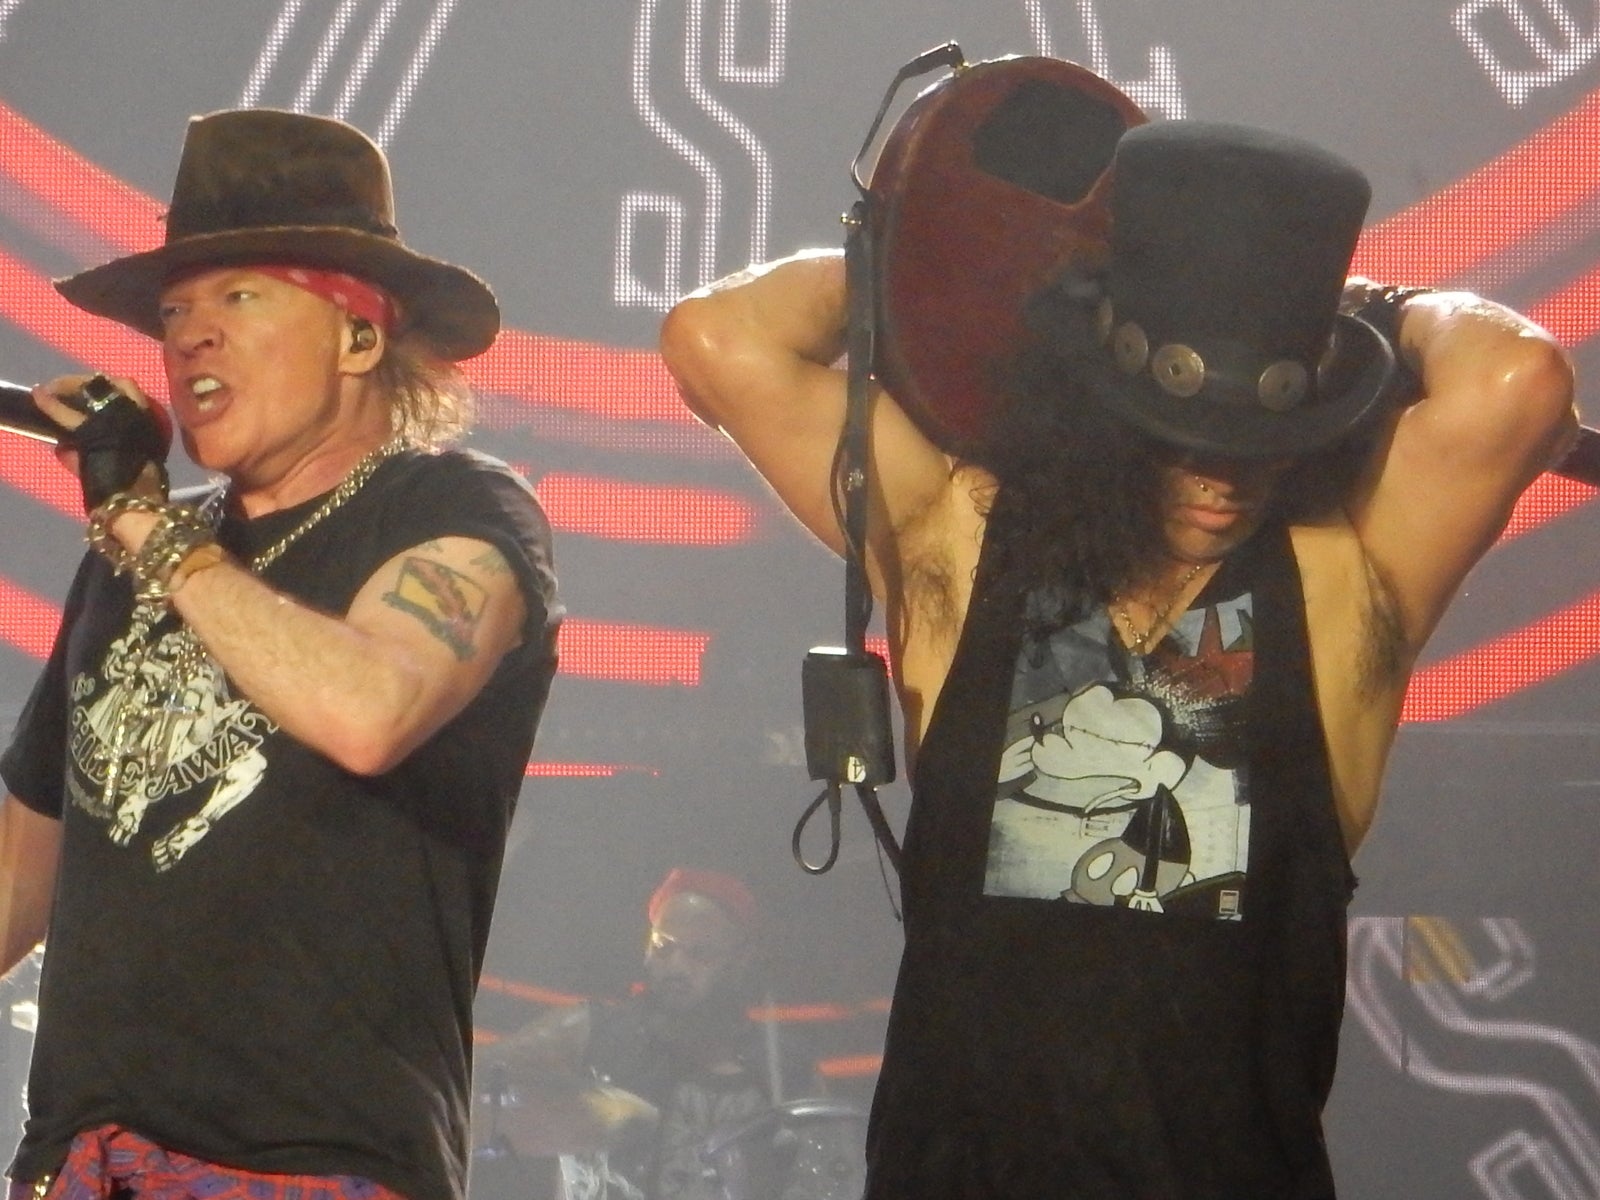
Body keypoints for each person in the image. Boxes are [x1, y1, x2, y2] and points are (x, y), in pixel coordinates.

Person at [658, 117, 1578, 1197]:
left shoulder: (1344, 581)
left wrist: (1351, 309)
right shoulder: (961, 535)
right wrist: (959, 256)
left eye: (1256, 438)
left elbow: (1518, 382)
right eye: (1184, 434)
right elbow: (717, 340)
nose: (1223, 477)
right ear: (1107, 401)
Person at [0, 108, 562, 1200]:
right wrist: (150, 536)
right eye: (175, 310)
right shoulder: (135, 560)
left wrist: (143, 526)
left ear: (360, 336)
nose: (190, 338)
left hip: (310, 1164)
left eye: (240, 297)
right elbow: (24, 868)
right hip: (83, 1159)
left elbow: (372, 708)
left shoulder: (458, 510)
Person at [476, 868, 825, 1200]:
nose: (676, 966)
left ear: (741, 960)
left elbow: (827, 1175)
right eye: (663, 947)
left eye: (700, 954)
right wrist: (580, 1108)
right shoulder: (590, 1029)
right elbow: (469, 1082)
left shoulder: (785, 1064)